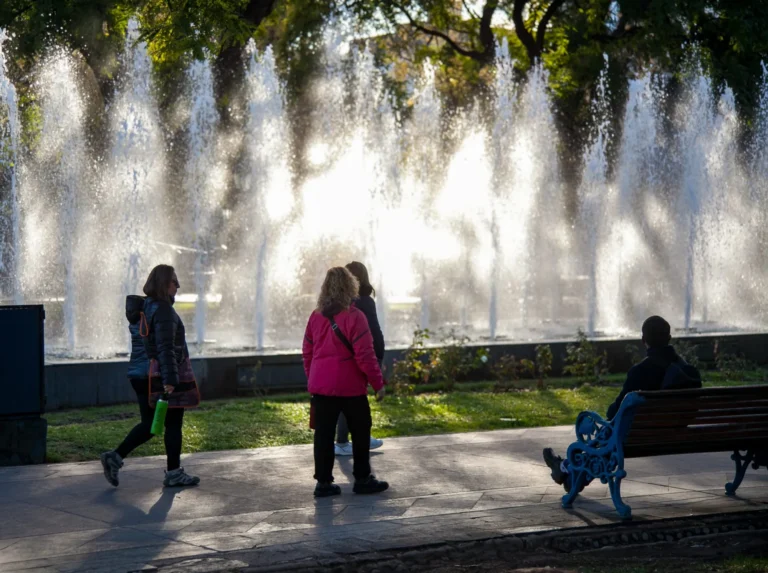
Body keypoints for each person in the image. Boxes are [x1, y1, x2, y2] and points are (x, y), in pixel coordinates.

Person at [542, 315, 702, 491]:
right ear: (669, 338)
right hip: (678, 433)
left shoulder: (640, 372)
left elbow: (614, 412)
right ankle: (569, 473)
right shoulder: (689, 371)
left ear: (643, 340)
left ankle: (566, 467)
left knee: (607, 433)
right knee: (609, 435)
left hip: (638, 436)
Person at [100, 265, 200, 488]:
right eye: (174, 281)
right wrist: (170, 380)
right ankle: (174, 473)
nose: (178, 286)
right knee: (173, 424)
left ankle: (114, 457)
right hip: (158, 376)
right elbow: (165, 347)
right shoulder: (163, 310)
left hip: (140, 375)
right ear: (164, 284)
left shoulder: (143, 308)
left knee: (149, 424)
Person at [303, 267, 390, 497]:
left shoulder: (315, 316)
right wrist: (378, 384)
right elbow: (365, 355)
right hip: (350, 387)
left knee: (323, 435)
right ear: (351, 286)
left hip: (322, 388)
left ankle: (323, 484)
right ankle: (362, 479)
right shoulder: (355, 317)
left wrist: (313, 378)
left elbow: (307, 352)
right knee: (361, 430)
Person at [333, 261, 386, 456]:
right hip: (363, 354)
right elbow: (374, 332)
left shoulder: (338, 303)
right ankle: (347, 441)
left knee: (349, 398)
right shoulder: (365, 301)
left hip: (345, 355)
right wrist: (378, 357)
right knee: (356, 399)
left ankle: (347, 440)